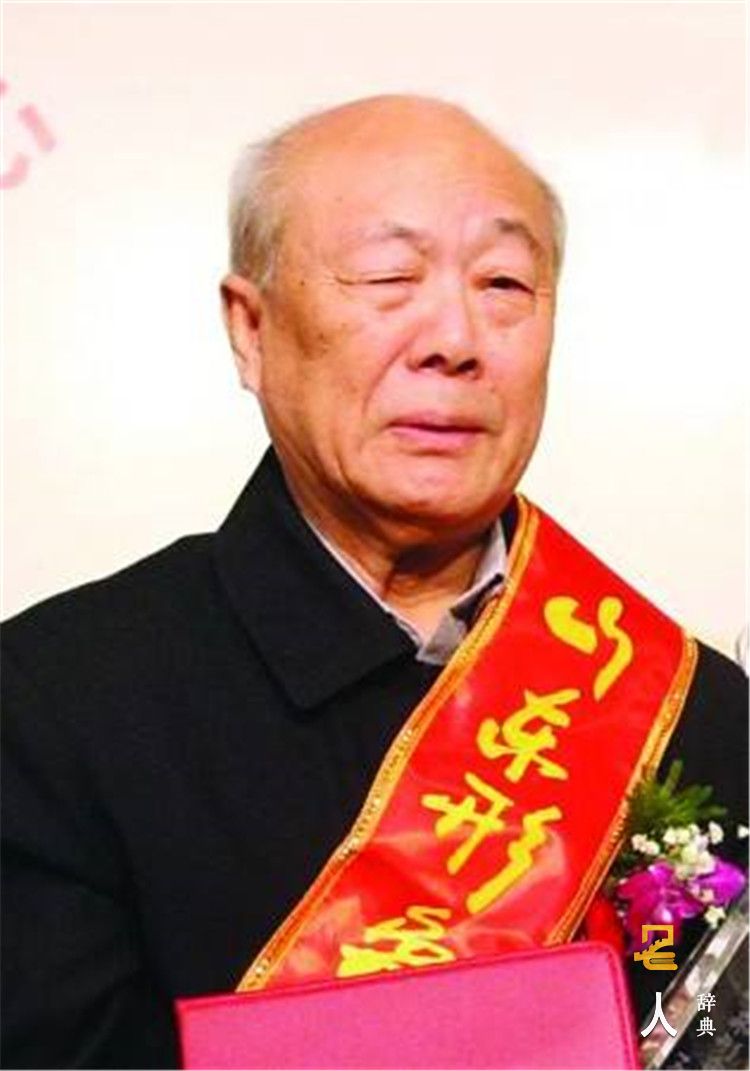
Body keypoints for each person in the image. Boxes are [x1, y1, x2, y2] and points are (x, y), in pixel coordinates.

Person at [2, 95, 746, 1070]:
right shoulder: (51, 707)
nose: (456, 339)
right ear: (250, 329)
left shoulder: (690, 705)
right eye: (390, 277)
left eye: (504, 283)